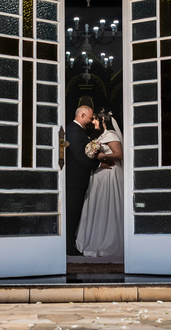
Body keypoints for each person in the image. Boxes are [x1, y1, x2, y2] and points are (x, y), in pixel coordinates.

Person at [76, 111, 124, 259]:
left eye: (95, 119)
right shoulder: (102, 136)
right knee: (99, 206)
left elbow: (119, 154)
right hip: (100, 175)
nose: (93, 122)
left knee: (108, 205)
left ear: (102, 119)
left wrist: (101, 156)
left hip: (109, 175)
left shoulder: (111, 134)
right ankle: (94, 239)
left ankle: (108, 242)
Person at [64, 105, 99, 256]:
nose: (91, 121)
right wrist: (98, 164)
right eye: (90, 118)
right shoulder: (73, 130)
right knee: (72, 213)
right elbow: (79, 155)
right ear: (82, 115)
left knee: (75, 213)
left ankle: (70, 244)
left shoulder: (79, 131)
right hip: (74, 181)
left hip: (78, 180)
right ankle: (68, 247)